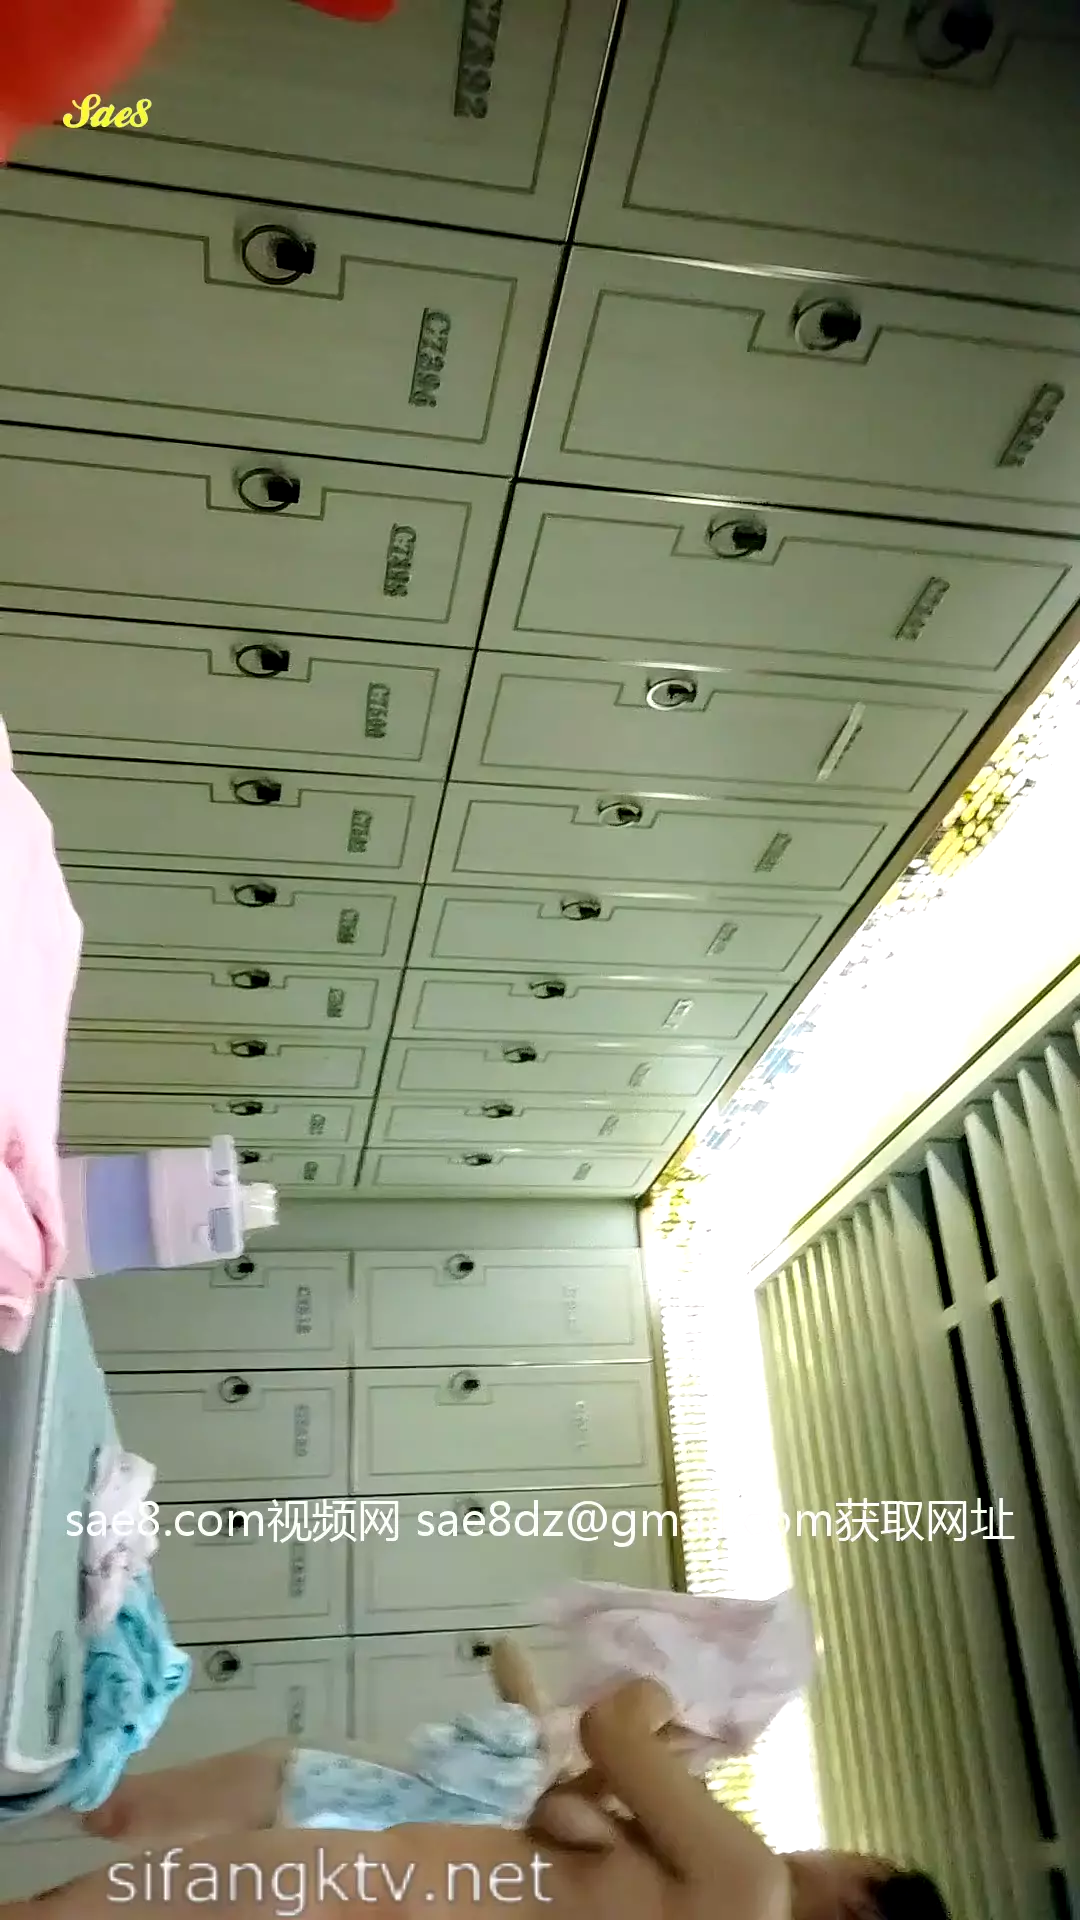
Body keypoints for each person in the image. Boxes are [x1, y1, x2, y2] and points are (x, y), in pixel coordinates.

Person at [5, 1650, 949, 1920]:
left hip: (358, 1888)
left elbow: (610, 1727)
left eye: (854, 1859)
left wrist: (694, 1673)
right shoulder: (708, 1888)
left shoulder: (753, 1885)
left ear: (864, 1899)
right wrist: (622, 1789)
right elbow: (558, 1818)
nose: (826, 1850)